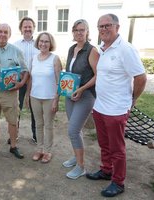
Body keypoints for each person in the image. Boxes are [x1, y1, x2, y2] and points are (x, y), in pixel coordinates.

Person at [86, 14, 147, 197]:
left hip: (116, 110)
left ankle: (118, 182)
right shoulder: (103, 49)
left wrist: (132, 99)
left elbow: (141, 78)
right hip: (100, 107)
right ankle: (106, 170)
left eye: (107, 25)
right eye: (100, 26)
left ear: (117, 27)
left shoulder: (126, 49)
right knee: (104, 144)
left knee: (117, 148)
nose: (103, 29)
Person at [0, 23, 29, 159]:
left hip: (10, 91)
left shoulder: (16, 51)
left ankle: (13, 146)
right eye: (0, 32)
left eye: (5, 32)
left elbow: (25, 71)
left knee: (13, 120)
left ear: (9, 35)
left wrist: (21, 83)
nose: (3, 34)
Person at [63, 19, 99, 179]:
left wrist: (82, 89)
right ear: (73, 32)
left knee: (73, 130)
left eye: (82, 30)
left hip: (86, 95)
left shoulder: (92, 51)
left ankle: (81, 166)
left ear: (87, 32)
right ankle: (76, 157)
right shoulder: (72, 49)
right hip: (70, 95)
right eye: (76, 30)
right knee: (75, 130)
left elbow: (99, 75)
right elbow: (69, 72)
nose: (79, 32)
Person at [25, 32, 62, 163]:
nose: (43, 44)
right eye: (41, 41)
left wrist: (56, 100)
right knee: (38, 124)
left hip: (49, 98)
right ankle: (39, 149)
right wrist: (27, 96)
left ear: (50, 43)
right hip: (35, 97)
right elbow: (30, 79)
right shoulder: (34, 58)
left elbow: (59, 81)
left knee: (48, 125)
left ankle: (48, 151)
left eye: (46, 41)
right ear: (38, 42)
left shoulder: (55, 59)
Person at [13, 17, 40, 144]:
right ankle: (14, 134)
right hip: (20, 81)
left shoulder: (40, 44)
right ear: (21, 29)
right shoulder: (15, 45)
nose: (28, 29)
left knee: (35, 108)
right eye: (25, 27)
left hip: (36, 82)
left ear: (34, 28)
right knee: (16, 108)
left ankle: (36, 134)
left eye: (30, 27)